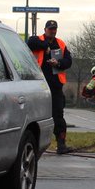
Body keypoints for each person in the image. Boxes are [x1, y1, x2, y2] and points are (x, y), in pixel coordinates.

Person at [28, 20, 74, 154]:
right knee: (35, 116)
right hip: (38, 85)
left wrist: (58, 63)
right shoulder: (37, 40)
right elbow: (30, 43)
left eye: (54, 29)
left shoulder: (60, 43)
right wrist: (45, 47)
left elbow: (68, 61)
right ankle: (33, 144)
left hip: (55, 87)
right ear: (45, 29)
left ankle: (61, 145)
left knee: (58, 115)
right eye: (50, 29)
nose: (53, 31)